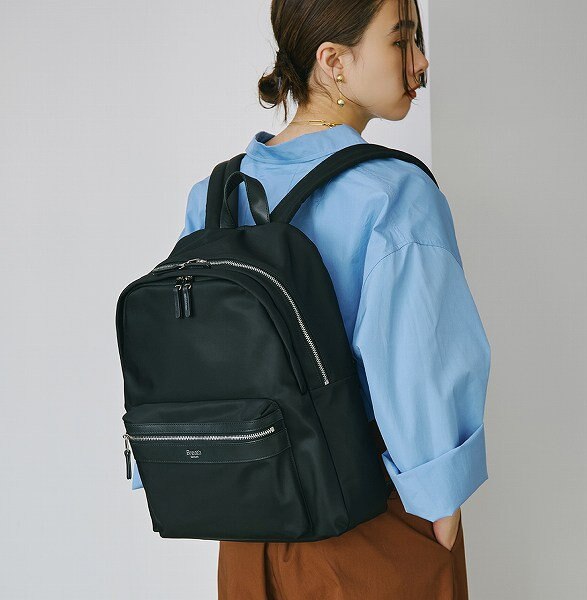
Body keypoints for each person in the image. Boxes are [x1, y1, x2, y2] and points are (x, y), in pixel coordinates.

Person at [136, 0, 491, 597]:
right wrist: (440, 499)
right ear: (334, 61)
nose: (420, 61)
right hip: (369, 523)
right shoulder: (393, 193)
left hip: (247, 530)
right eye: (402, 39)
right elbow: (418, 365)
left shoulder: (215, 196)